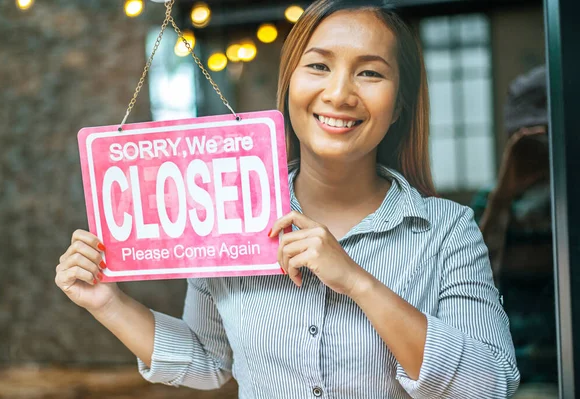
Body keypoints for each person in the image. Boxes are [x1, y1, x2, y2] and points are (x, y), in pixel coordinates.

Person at [55, 0, 520, 397]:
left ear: (399, 103)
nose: (339, 94)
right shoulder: (229, 212)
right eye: (318, 66)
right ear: (290, 84)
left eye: (370, 73)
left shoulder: (446, 230)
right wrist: (107, 303)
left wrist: (359, 283)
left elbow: (490, 383)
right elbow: (207, 359)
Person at [471, 65, 556, 385]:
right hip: (511, 366)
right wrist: (504, 195)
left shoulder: (567, 202)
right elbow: (473, 276)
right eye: (521, 139)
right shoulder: (489, 202)